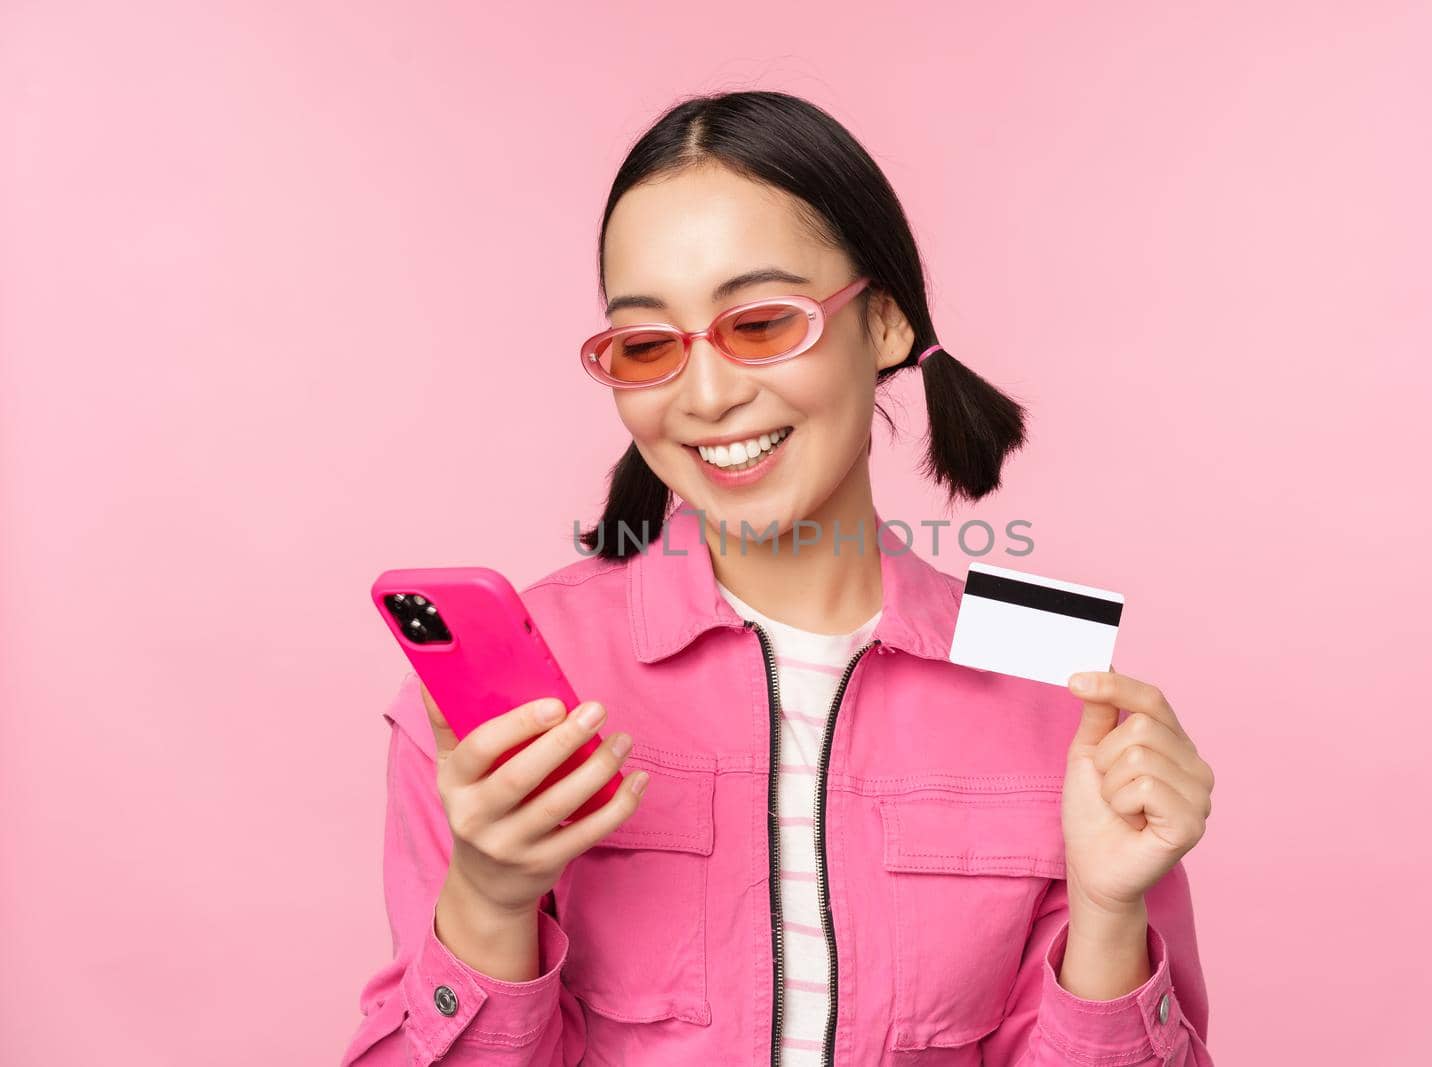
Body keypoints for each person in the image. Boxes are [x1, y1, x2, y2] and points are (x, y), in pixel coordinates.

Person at [341, 89, 1216, 1067]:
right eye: (647, 344)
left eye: (759, 324)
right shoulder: (503, 696)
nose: (706, 395)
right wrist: (490, 898)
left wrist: (1106, 913)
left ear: (883, 322)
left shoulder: (1052, 665)